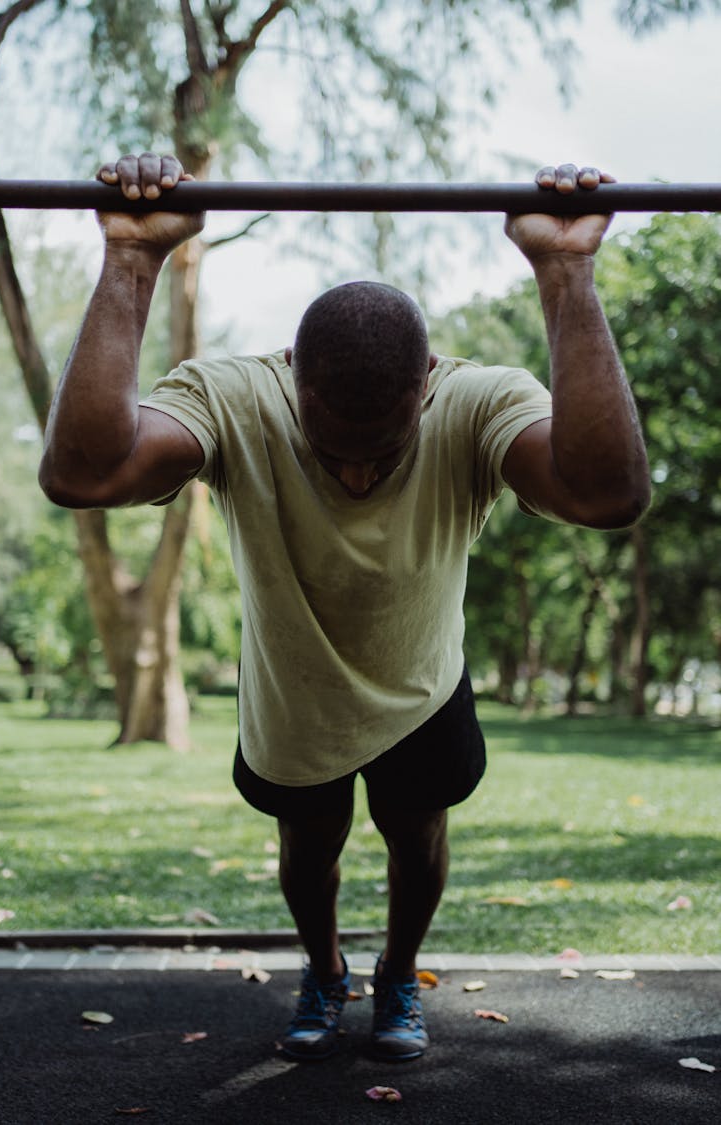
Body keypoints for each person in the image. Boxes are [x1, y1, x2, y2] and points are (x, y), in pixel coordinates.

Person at [39, 154, 650, 1063]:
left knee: (417, 837)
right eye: (334, 450)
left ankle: (398, 969)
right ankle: (325, 968)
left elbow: (610, 495)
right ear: (295, 378)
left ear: (428, 383)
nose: (359, 474)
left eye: (383, 448)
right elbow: (82, 473)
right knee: (310, 846)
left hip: (422, 684)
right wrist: (131, 262)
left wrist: (566, 275)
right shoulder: (238, 395)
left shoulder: (476, 399)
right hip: (295, 695)